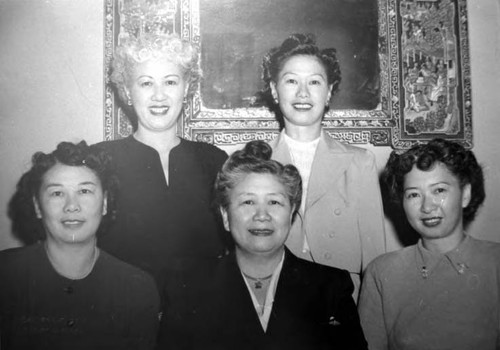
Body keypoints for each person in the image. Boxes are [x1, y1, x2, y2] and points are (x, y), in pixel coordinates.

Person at [157, 140, 367, 350]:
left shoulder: (331, 287)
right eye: (248, 202)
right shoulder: (187, 290)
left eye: (274, 202)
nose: (262, 215)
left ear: (292, 213)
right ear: (225, 216)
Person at [260, 33, 386, 300]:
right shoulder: (256, 162)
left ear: (328, 92)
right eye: (291, 81)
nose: (303, 93)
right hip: (277, 298)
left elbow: (377, 264)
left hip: (341, 301)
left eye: (314, 82)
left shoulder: (359, 162)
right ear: (274, 90)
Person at [96, 33, 229, 285]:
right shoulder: (100, 160)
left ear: (186, 87)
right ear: (126, 89)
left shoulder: (213, 160)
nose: (159, 95)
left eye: (170, 82)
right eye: (146, 83)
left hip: (202, 311)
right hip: (123, 308)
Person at [2, 141, 160, 349]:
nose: (72, 206)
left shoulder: (137, 288)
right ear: (37, 207)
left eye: (84, 191)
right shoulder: (5, 274)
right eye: (57, 193)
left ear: (104, 203)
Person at [358, 138, 500, 350]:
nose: (427, 206)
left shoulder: (495, 263)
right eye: (414, 194)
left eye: (439, 190)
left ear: (465, 195)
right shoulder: (381, 273)